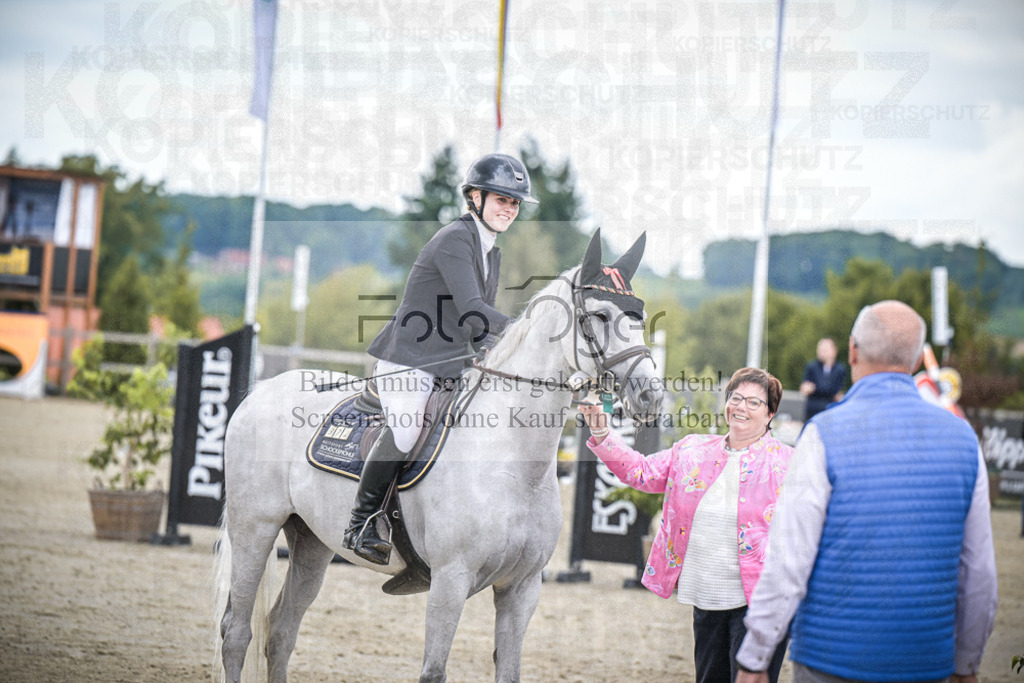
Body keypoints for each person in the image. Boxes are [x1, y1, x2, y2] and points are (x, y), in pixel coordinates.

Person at [736, 301, 998, 683]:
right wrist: (967, 663)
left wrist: (755, 658)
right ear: (914, 358)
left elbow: (789, 561)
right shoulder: (964, 439)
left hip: (830, 660)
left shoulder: (823, 434)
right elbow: (978, 572)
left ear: (853, 350)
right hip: (927, 661)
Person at [342, 153, 538, 565]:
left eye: (515, 202)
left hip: (449, 363)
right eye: (501, 198)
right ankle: (361, 521)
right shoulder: (455, 238)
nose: (508, 208)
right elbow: (471, 307)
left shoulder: (490, 251)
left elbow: (478, 325)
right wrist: (527, 330)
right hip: (410, 359)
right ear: (475, 197)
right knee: (409, 426)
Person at [579, 368, 793, 683]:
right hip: (706, 597)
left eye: (754, 402)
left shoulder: (789, 463)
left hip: (761, 604)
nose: (741, 407)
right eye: (736, 398)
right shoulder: (692, 449)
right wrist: (602, 434)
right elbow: (641, 471)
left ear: (770, 413)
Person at [799, 338, 846, 421]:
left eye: (825, 350)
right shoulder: (811, 367)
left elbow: (835, 390)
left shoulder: (840, 369)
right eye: (820, 350)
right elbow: (805, 388)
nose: (822, 353)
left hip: (829, 411)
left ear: (834, 351)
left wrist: (815, 389)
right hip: (812, 411)